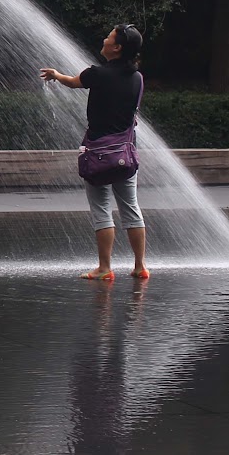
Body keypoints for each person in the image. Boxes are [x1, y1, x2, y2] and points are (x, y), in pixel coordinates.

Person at [41, 24, 149, 281]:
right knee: (131, 208)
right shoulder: (138, 78)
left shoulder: (96, 74)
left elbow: (71, 82)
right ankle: (140, 266)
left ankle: (104, 268)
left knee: (101, 208)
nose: (104, 38)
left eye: (109, 36)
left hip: (98, 153)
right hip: (125, 153)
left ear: (117, 47)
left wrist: (56, 74)